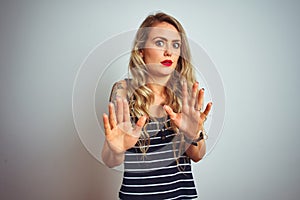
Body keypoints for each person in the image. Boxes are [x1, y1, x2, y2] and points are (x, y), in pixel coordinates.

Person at [101, 12, 212, 200]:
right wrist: (116, 149)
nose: (169, 51)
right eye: (160, 43)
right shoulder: (123, 90)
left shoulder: (185, 94)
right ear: (141, 50)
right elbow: (110, 160)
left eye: (175, 45)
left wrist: (193, 135)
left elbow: (197, 155)